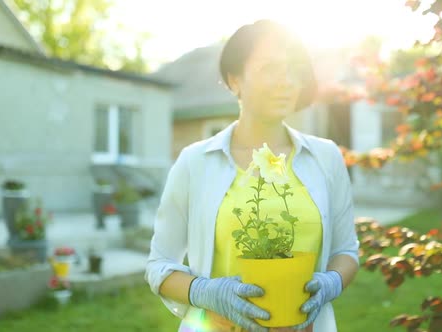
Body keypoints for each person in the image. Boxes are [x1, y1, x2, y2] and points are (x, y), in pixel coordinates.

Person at [145, 19, 359, 332]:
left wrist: (330, 283)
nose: (286, 81)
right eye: (270, 68)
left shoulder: (325, 157)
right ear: (234, 80)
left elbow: (346, 253)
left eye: (293, 69)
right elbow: (159, 265)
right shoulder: (195, 162)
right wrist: (206, 292)